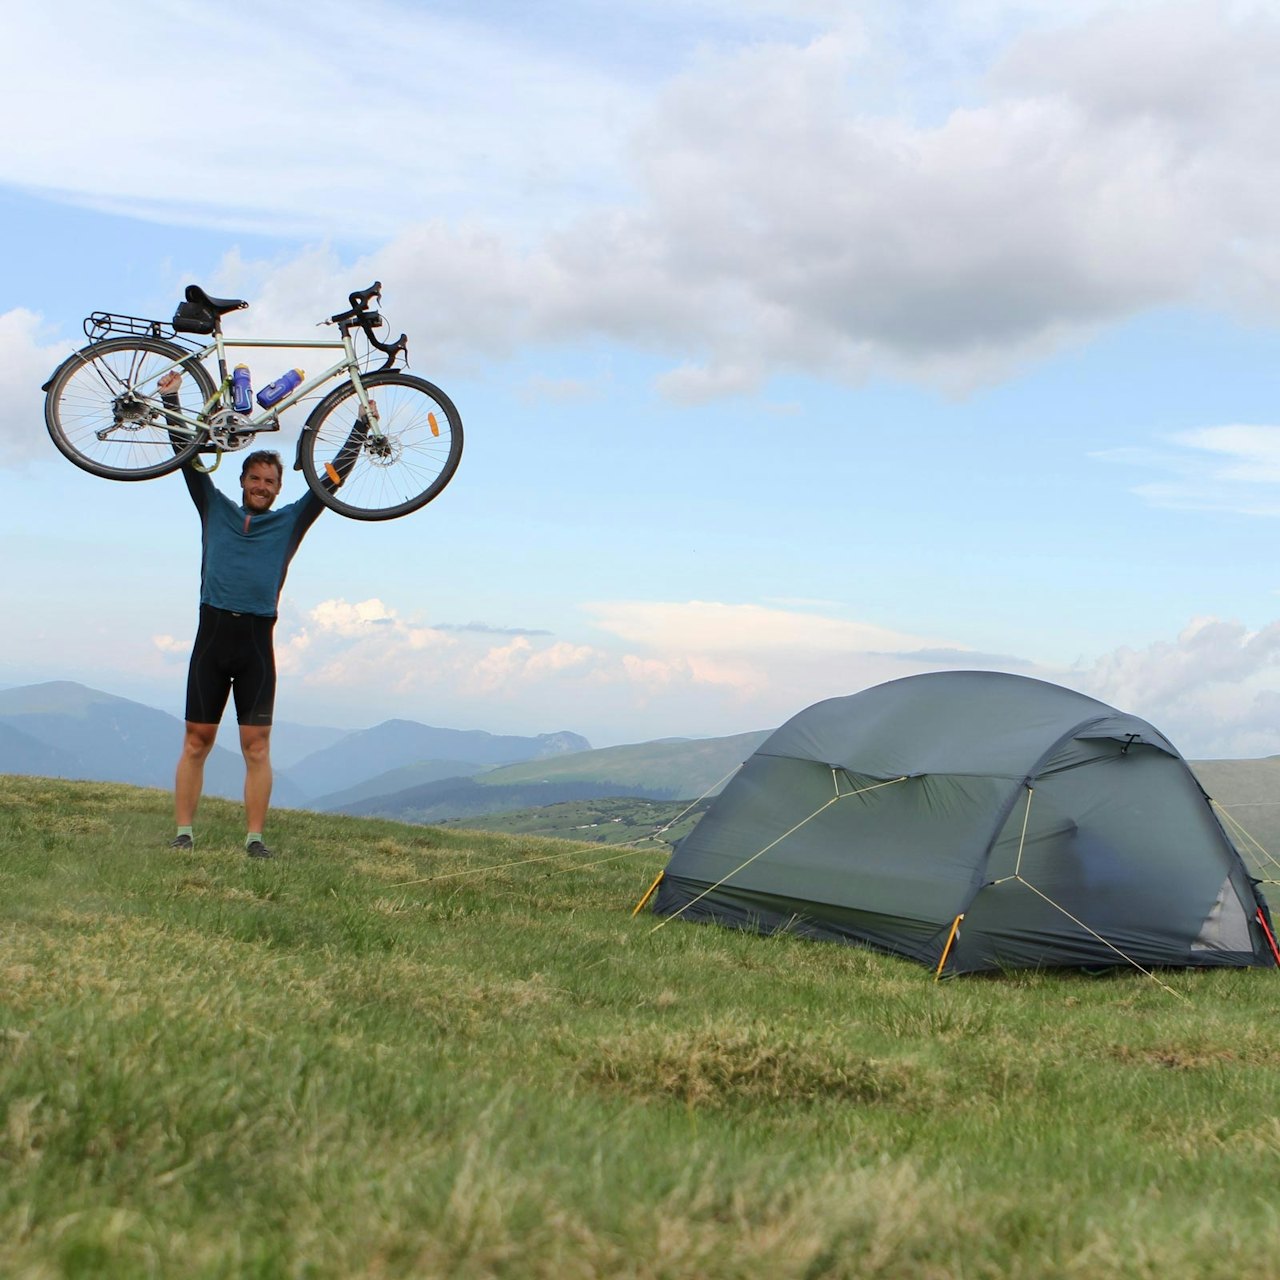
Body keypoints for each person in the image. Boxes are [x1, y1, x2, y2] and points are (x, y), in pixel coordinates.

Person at [159, 371, 364, 857]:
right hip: (212, 636)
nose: (262, 487)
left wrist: (359, 426)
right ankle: (184, 833)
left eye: (270, 482)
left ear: (276, 489)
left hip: (255, 643)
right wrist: (172, 397)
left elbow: (330, 478)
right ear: (243, 480)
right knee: (196, 741)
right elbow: (188, 460)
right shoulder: (214, 507)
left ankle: (254, 840)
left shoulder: (290, 521)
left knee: (256, 747)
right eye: (255, 478)